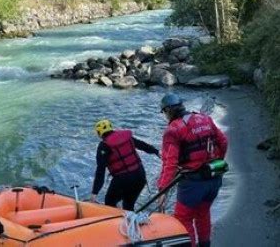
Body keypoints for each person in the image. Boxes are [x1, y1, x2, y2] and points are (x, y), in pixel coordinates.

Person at [157, 93, 228, 247]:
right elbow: (223, 141)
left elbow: (169, 163)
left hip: (192, 184)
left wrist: (162, 191)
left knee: (183, 218)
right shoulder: (205, 119)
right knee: (203, 214)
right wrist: (218, 161)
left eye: (164, 112)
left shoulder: (173, 130)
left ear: (168, 111)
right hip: (214, 177)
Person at [90, 119, 160, 211]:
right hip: (140, 176)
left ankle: (116, 222)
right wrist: (156, 151)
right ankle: (131, 221)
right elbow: (143, 145)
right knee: (128, 204)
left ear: (99, 133)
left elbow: (100, 171)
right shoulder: (127, 138)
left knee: (109, 202)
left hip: (122, 179)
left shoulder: (103, 146)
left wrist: (94, 193)